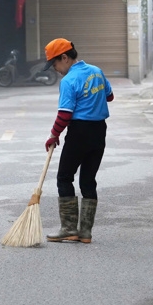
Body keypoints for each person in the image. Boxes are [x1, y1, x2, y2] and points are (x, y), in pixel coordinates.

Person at [43, 38, 112, 244]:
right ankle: (85, 233)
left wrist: (54, 135)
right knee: (88, 181)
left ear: (64, 57)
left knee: (64, 177)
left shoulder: (68, 81)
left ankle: (69, 228)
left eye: (54, 63)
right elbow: (109, 96)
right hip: (99, 131)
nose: (55, 69)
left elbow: (65, 114)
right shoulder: (96, 71)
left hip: (79, 132)